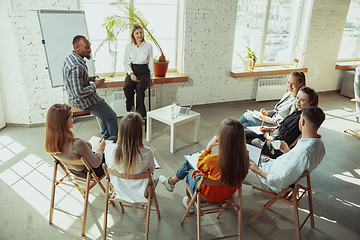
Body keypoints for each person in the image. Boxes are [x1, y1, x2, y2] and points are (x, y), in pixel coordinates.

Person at [159, 118, 249, 214]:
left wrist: (208, 147)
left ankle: (190, 202)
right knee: (205, 172)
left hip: (206, 196)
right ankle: (171, 182)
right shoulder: (245, 157)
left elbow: (199, 165)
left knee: (190, 170)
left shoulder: (213, 160)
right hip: (227, 194)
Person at [244, 106, 326, 194]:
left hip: (269, 180)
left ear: (302, 122)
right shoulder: (319, 144)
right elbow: (298, 163)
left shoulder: (303, 153)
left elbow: (281, 181)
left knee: (230, 164)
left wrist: (257, 171)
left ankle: (227, 195)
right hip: (272, 166)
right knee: (242, 152)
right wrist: (287, 151)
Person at [63, 35, 118, 139]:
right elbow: (78, 92)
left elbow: (74, 81)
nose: (89, 50)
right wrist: (96, 85)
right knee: (112, 117)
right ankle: (113, 145)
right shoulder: (77, 67)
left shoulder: (70, 59)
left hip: (75, 99)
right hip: (83, 100)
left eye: (89, 47)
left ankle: (106, 139)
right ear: (77, 47)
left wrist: (90, 78)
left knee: (105, 111)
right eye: (86, 48)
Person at [245, 86, 318, 159]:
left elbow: (284, 140)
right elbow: (283, 127)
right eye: (297, 98)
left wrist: (268, 136)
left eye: (302, 100)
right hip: (271, 136)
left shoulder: (301, 119)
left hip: (273, 146)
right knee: (240, 132)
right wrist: (269, 129)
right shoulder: (296, 111)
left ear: (310, 102)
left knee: (241, 138)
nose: (298, 101)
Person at [44, 104, 107, 178]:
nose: (74, 119)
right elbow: (96, 164)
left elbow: (86, 148)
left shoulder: (50, 144)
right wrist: (100, 148)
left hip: (75, 172)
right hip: (91, 173)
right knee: (113, 141)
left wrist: (86, 145)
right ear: (64, 122)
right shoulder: (77, 144)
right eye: (71, 117)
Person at [104, 112, 155, 203]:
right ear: (139, 132)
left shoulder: (108, 149)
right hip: (141, 192)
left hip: (119, 191)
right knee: (151, 175)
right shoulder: (147, 152)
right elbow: (151, 170)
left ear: (121, 130)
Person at [240, 71, 306, 128]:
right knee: (245, 125)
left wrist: (268, 119)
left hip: (275, 125)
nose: (290, 85)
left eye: (293, 84)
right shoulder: (287, 94)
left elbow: (288, 122)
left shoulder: (297, 103)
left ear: (300, 84)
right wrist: (268, 113)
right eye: (288, 82)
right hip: (271, 119)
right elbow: (278, 111)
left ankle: (230, 131)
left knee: (246, 115)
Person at [123, 24, 155, 118]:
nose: (139, 35)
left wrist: (152, 78)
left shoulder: (148, 46)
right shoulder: (128, 47)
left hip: (144, 71)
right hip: (132, 70)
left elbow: (150, 63)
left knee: (140, 87)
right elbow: (126, 62)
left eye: (141, 32)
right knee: (128, 85)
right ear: (133, 35)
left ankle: (140, 114)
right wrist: (131, 74)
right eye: (137, 33)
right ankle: (131, 109)